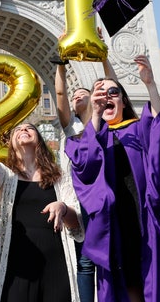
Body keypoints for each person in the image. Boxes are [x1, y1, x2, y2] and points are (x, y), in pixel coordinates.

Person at [65, 55, 160, 301]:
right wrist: (97, 116)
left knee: (159, 277)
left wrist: (150, 85)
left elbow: (159, 130)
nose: (108, 97)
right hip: (116, 222)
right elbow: (86, 165)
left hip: (149, 215)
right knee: (127, 282)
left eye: (113, 92)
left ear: (123, 101)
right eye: (100, 94)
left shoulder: (137, 129)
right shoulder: (86, 138)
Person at [0, 87, 83, 301]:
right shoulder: (7, 176)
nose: (24, 130)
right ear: (11, 144)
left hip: (56, 260)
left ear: (40, 141)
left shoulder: (59, 176)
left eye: (30, 128)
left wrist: (63, 208)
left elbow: (76, 223)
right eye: (18, 130)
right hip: (16, 262)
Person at [54, 35, 116, 302]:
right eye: (75, 95)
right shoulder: (72, 128)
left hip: (108, 195)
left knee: (112, 256)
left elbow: (117, 87)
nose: (77, 95)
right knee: (87, 260)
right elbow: (59, 94)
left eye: (84, 94)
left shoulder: (106, 122)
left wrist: (103, 55)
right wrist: (61, 61)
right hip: (81, 198)